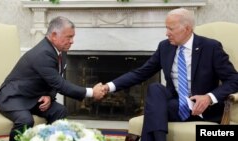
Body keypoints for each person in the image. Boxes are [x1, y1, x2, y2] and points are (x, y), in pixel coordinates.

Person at [101, 8, 238, 141]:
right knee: (155, 88)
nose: (166, 33)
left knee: (153, 111)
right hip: (175, 105)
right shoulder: (165, 47)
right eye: (166, 28)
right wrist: (109, 86)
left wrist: (209, 97)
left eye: (171, 29)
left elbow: (234, 79)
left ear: (187, 29)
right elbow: (141, 73)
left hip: (203, 109)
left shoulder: (211, 47)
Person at [0, 16, 105, 141]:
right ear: (54, 35)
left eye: (73, 37)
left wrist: (49, 96)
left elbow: (53, 79)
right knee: (25, 120)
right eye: (69, 37)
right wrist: (91, 92)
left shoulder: (61, 50)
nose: (72, 41)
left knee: (60, 111)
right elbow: (59, 84)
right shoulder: (43, 53)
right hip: (13, 97)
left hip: (34, 97)